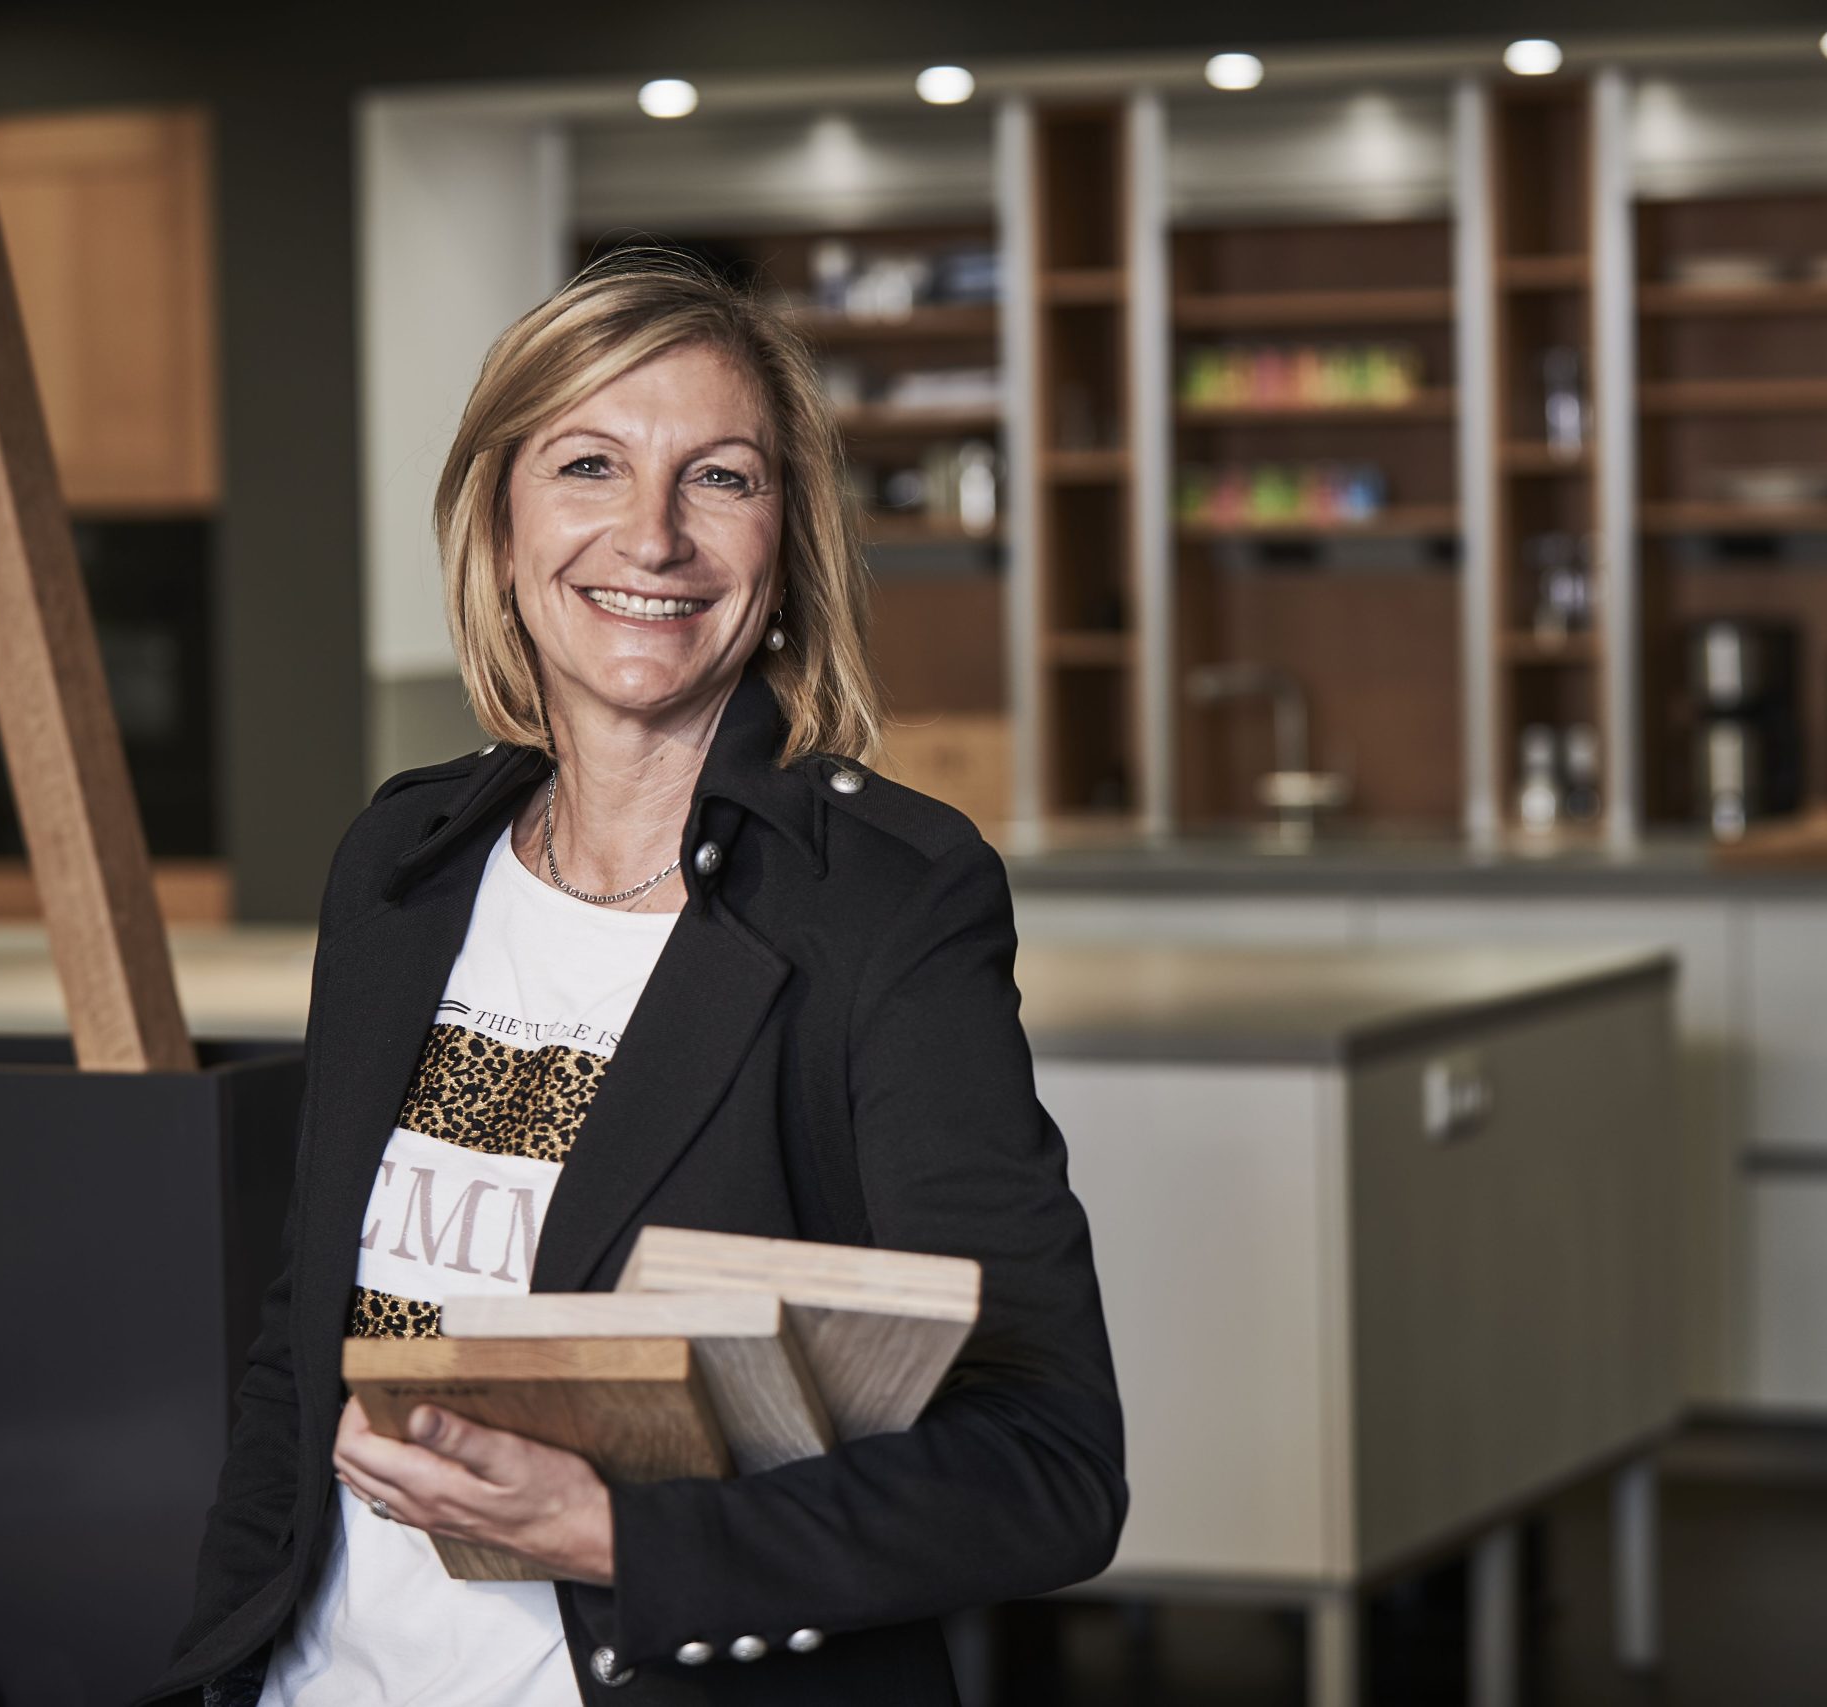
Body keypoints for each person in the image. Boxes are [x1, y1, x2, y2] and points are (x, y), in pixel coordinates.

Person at [146, 252, 1125, 1705]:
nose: (652, 536)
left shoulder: (886, 909)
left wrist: (628, 1540)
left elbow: (1047, 1467)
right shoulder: (402, 866)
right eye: (589, 464)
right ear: (501, 522)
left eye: (719, 478)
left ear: (788, 544)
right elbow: (305, 1352)